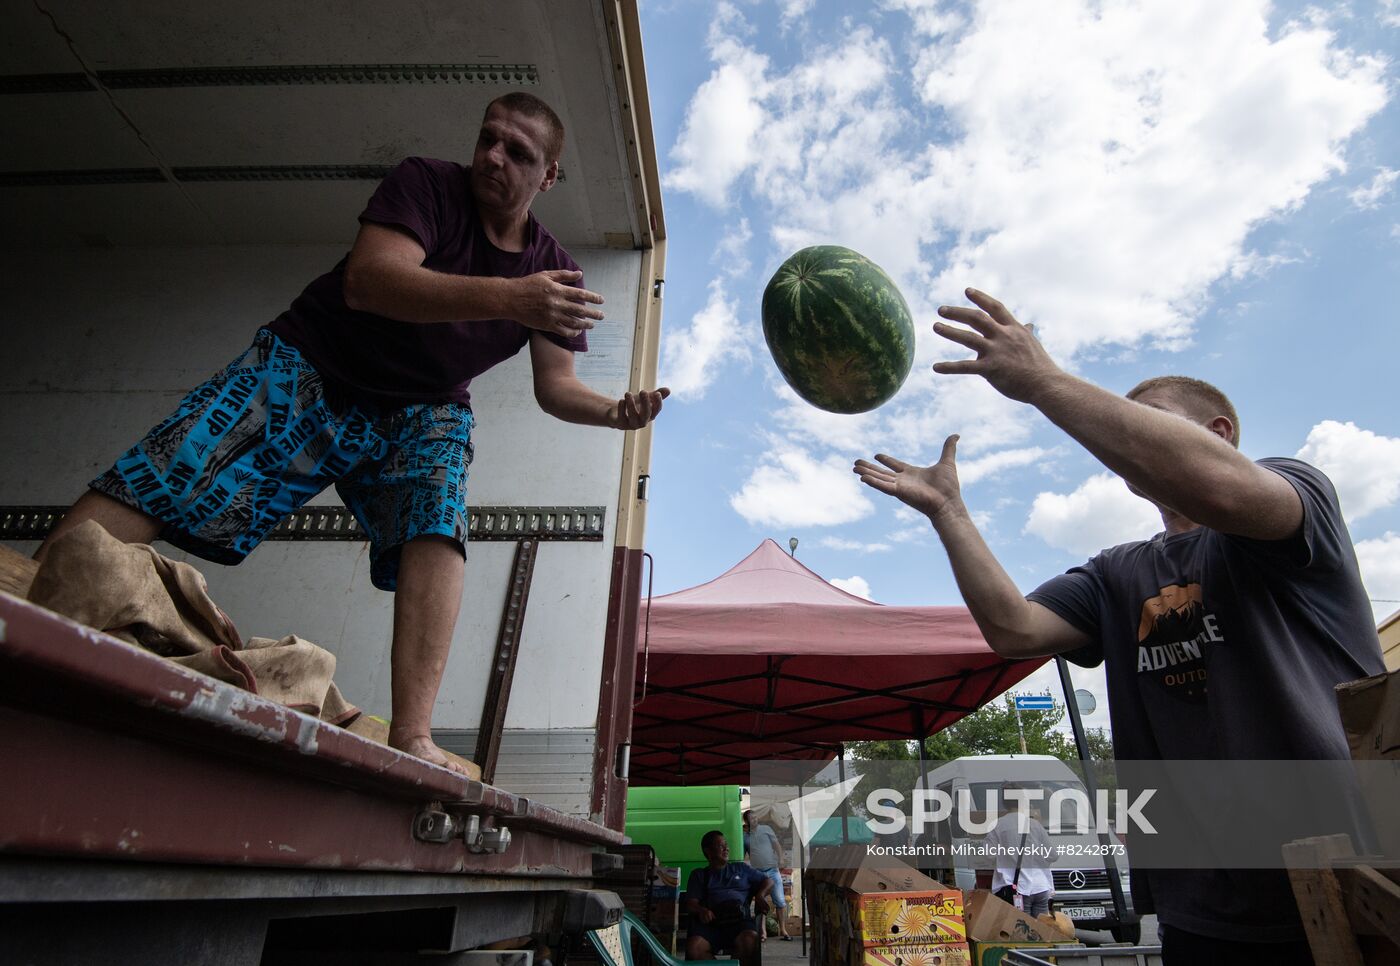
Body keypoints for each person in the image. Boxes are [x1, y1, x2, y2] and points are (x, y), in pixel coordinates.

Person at [35, 92, 668, 775]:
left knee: (439, 518)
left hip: (420, 406)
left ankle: (414, 735)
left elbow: (555, 387)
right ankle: (33, 591)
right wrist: (511, 297)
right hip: (315, 360)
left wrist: (612, 413)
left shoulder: (553, 271)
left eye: (518, 152)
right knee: (176, 464)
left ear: (547, 176)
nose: (493, 156)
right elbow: (372, 281)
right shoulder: (426, 183)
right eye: (488, 138)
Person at [854, 289, 1385, 963]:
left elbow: (1220, 491)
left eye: (1146, 422)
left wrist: (1046, 383)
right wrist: (947, 512)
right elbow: (1014, 630)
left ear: (1218, 434)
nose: (1122, 438)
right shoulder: (1116, 574)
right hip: (1203, 907)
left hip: (1349, 884)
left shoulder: (1296, 500)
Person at [685, 830, 771, 966]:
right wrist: (701, 910)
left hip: (739, 922)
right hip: (711, 925)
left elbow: (768, 881)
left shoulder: (741, 868)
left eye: (726, 845)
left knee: (750, 940)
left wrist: (760, 895)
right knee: (694, 947)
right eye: (721, 846)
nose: (727, 848)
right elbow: (690, 904)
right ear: (708, 851)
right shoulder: (699, 875)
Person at [979, 786, 1054, 919]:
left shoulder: (999, 825)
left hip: (1016, 888)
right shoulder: (1035, 825)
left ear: (1004, 802)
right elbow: (1053, 855)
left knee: (1023, 931)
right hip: (1041, 887)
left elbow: (987, 854)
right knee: (1042, 930)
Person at [743, 809, 793, 941]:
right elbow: (742, 856)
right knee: (761, 902)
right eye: (751, 818)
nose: (754, 820)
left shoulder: (766, 829)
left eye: (755, 817)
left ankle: (782, 930)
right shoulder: (745, 837)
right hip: (758, 873)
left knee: (780, 901)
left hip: (772, 870)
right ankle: (762, 932)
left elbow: (776, 845)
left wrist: (781, 858)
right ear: (746, 821)